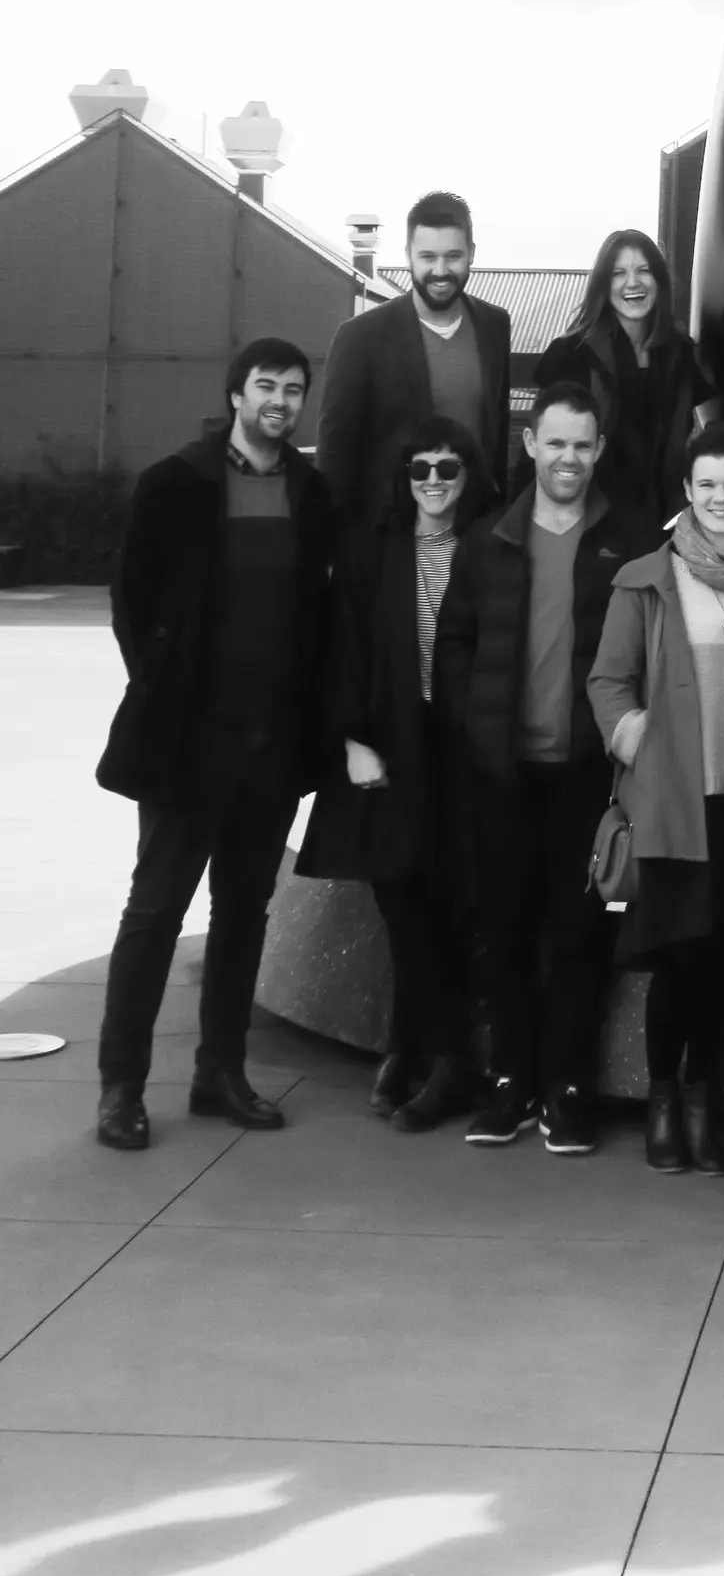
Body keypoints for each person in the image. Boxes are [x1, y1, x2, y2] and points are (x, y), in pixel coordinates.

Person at [94, 340, 337, 1150]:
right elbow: (133, 603)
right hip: (187, 746)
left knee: (242, 914)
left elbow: (317, 616)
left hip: (272, 747)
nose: (280, 401)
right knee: (155, 911)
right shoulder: (176, 484)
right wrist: (165, 693)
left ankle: (220, 1073)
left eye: (293, 390)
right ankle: (121, 1087)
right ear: (236, 394)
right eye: (266, 386)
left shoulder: (311, 492)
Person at [435, 380, 648, 1155]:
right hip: (503, 776)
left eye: (582, 445)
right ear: (529, 444)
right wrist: (475, 723)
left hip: (587, 778)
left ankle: (569, 1090)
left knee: (578, 938)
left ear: (599, 450)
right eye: (555, 442)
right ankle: (510, 1083)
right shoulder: (488, 538)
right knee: (504, 932)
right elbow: (453, 643)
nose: (568, 457)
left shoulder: (627, 540)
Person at [590, 421, 724, 1179]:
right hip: (676, 798)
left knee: (721, 962)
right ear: (686, 490)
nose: (720, 497)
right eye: (706, 484)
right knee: (679, 959)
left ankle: (704, 1104)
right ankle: (663, 1104)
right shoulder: (647, 580)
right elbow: (608, 681)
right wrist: (638, 741)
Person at [296, 413, 491, 1131]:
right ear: (404, 477)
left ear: (468, 474)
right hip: (390, 746)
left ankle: (435, 1056)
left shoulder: (489, 544)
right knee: (402, 905)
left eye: (448, 467)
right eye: (420, 468)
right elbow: (342, 647)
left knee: (451, 903)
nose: (434, 481)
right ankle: (422, 1048)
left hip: (462, 748)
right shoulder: (371, 548)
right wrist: (353, 740)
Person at [316, 192, 512, 531]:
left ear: (471, 253)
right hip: (392, 536)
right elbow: (335, 452)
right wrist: (340, 544)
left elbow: (497, 435)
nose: (440, 270)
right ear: (408, 254)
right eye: (428, 257)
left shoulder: (494, 325)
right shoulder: (362, 336)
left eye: (453, 256)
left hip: (475, 530)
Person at [531, 228, 718, 534]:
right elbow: (543, 450)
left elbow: (691, 438)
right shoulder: (572, 354)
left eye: (644, 270)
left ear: (659, 281)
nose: (633, 283)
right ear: (604, 285)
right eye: (619, 273)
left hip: (665, 519)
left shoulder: (680, 355)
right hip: (588, 521)